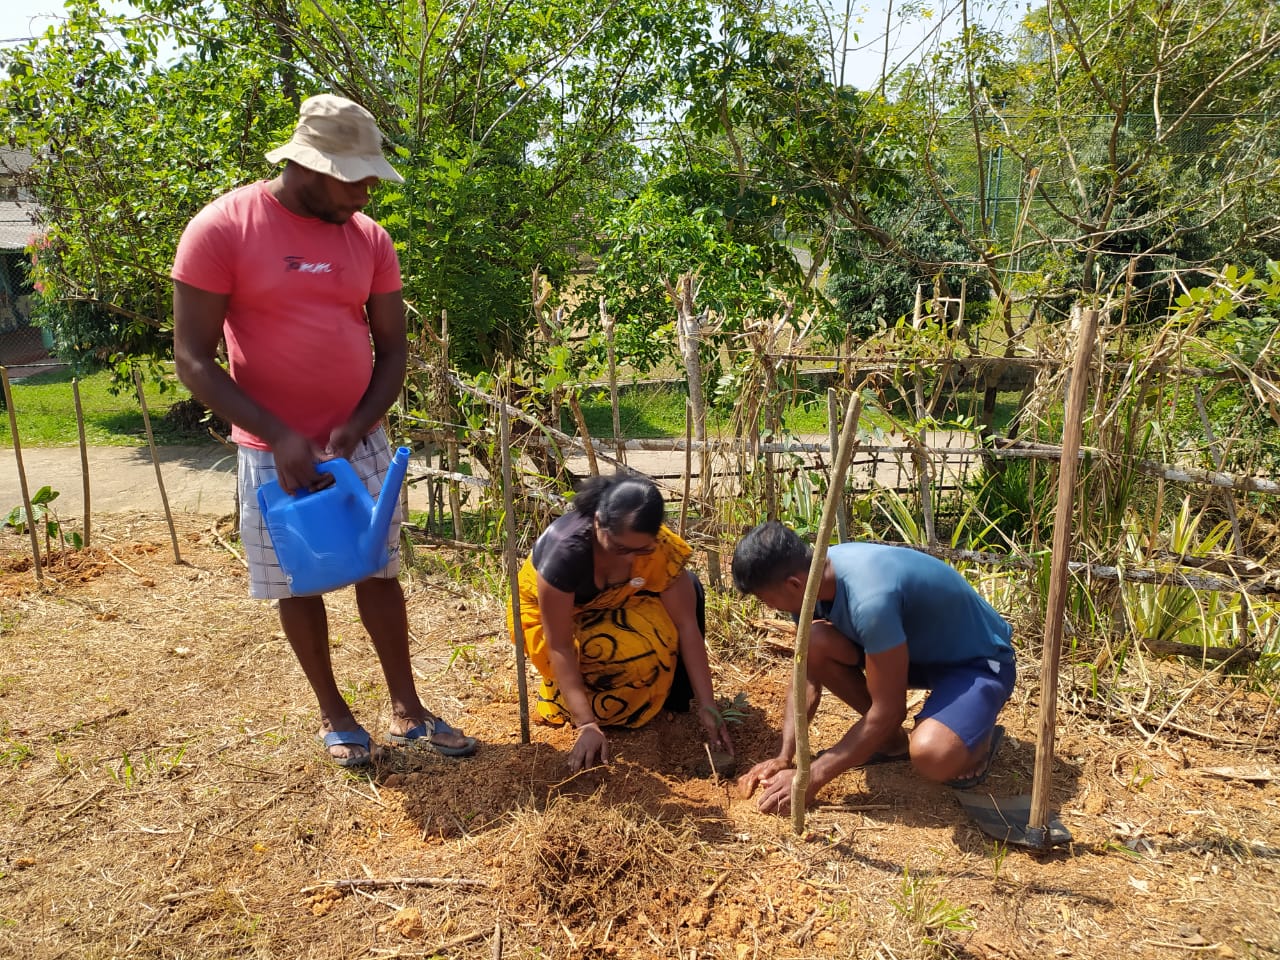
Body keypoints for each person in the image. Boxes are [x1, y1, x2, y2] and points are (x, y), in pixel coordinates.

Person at [171, 94, 476, 767]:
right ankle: (335, 713)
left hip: (353, 440)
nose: (368, 191)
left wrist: (358, 424)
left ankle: (407, 706)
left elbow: (393, 349)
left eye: (371, 177)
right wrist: (278, 435)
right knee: (295, 581)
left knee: (379, 570)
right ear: (308, 165)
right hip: (267, 446)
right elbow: (193, 358)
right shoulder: (223, 228)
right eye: (356, 177)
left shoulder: (368, 239)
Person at [732, 521, 1015, 814]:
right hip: (914, 654)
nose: (769, 608)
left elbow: (890, 709)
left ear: (793, 584)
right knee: (816, 641)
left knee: (932, 755)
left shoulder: (870, 601)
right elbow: (806, 678)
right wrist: (784, 755)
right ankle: (891, 743)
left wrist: (813, 776)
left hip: (977, 663)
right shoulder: (811, 581)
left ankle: (977, 742)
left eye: (766, 599)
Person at [509, 474, 734, 773]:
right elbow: (559, 644)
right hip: (552, 615)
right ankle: (571, 701)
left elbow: (686, 626)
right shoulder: (565, 553)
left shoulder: (656, 546)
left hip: (617, 599)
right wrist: (586, 723)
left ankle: (673, 701)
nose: (630, 559)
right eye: (620, 549)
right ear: (599, 522)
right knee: (613, 659)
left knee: (689, 590)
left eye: (640, 551)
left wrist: (708, 706)